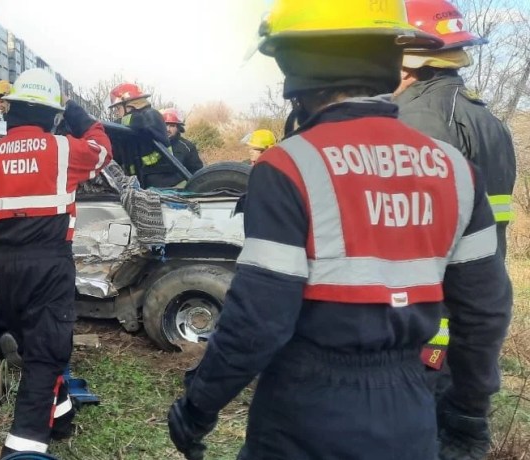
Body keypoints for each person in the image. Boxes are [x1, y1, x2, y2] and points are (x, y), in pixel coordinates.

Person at [166, 2, 513, 460]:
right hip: (411, 412)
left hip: (306, 414)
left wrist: (198, 407)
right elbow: (485, 312)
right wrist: (468, 412)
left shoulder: (288, 165)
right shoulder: (456, 171)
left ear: (295, 67)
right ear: (389, 57)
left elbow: (259, 320)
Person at [0, 68, 112, 457]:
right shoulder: (63, 149)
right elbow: (102, 152)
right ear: (50, 115)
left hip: (5, 265)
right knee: (46, 352)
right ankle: (23, 448)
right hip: (49, 261)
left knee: (33, 341)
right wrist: (87, 121)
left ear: (12, 110)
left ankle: (59, 418)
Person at [395, 0, 518, 408]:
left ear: (404, 58)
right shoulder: (487, 119)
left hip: (425, 313)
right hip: (475, 301)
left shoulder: (413, 120)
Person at [108, 82, 173, 187]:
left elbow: (139, 123)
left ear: (129, 105)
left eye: (118, 108)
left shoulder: (150, 115)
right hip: (144, 181)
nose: (117, 113)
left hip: (165, 182)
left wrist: (110, 125)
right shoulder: (131, 128)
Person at [161, 108, 205, 179]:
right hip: (151, 187)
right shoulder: (153, 144)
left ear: (178, 128)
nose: (167, 129)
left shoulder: (187, 147)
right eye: (165, 125)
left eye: (172, 126)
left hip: (179, 187)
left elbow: (197, 172)